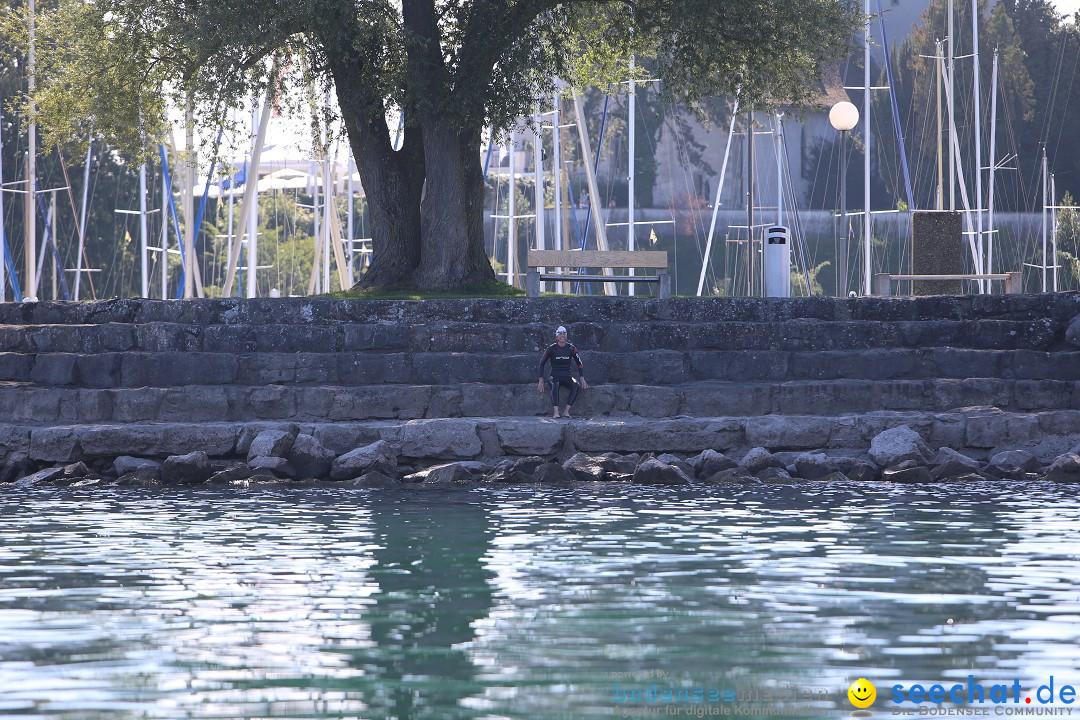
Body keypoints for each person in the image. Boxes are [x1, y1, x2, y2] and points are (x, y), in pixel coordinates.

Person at [537, 326, 588, 418]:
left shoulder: (571, 348)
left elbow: (579, 363)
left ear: (566, 335)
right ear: (557, 337)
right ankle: (556, 413)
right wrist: (541, 380)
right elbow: (542, 363)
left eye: (564, 333)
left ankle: (566, 412)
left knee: (576, 385)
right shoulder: (551, 348)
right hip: (554, 376)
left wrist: (582, 378)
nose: (562, 335)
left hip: (567, 376)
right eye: (560, 333)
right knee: (555, 384)